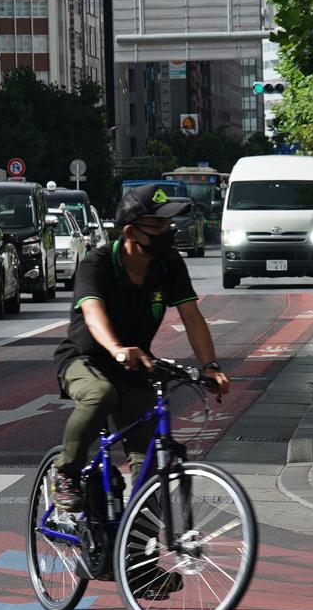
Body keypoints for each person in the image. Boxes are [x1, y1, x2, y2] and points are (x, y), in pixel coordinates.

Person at [49, 184, 231, 508]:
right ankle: (66, 472)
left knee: (148, 466)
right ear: (131, 231)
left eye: (168, 225)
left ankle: (137, 558)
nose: (168, 232)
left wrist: (210, 366)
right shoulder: (98, 263)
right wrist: (118, 348)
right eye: (159, 226)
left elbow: (192, 316)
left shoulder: (168, 263)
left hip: (134, 366)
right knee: (100, 393)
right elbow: (92, 313)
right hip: (85, 358)